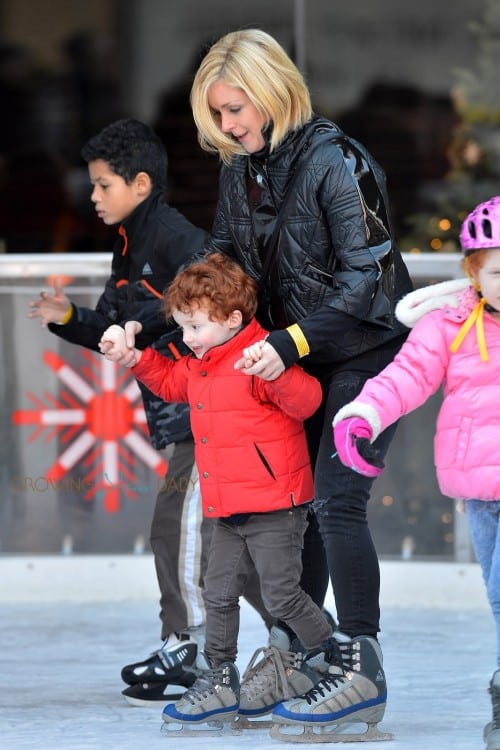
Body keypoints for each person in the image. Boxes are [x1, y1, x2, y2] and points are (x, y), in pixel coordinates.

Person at [187, 28, 414, 733]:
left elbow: (368, 278)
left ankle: (361, 664)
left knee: (336, 500)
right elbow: (226, 262)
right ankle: (294, 654)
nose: (228, 126)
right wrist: (165, 319)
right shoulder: (240, 167)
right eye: (218, 115)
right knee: (295, 502)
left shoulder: (338, 160)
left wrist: (291, 339)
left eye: (236, 109)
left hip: (366, 350)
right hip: (298, 355)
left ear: (273, 90)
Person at [27, 117, 271, 707]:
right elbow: (119, 328)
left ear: (140, 183)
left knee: (176, 530)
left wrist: (155, 322)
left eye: (103, 184)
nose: (93, 196)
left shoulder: (178, 240)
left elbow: (217, 307)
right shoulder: (132, 244)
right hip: (180, 417)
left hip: (204, 415)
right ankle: (303, 637)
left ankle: (185, 644)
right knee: (224, 544)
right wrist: (70, 319)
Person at [99, 252, 337, 728]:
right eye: (182, 328)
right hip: (225, 505)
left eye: (195, 328)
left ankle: (331, 656)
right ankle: (219, 677)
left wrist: (278, 370)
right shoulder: (201, 363)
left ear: (232, 319)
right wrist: (134, 358)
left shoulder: (259, 356)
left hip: (274, 504)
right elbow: (169, 382)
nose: (187, 339)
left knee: (282, 596)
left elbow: (308, 402)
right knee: (217, 594)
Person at [330, 196, 500, 750]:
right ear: (474, 273)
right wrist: (363, 414)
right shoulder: (450, 325)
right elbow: (406, 376)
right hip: (479, 489)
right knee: (497, 594)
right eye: (498, 270)